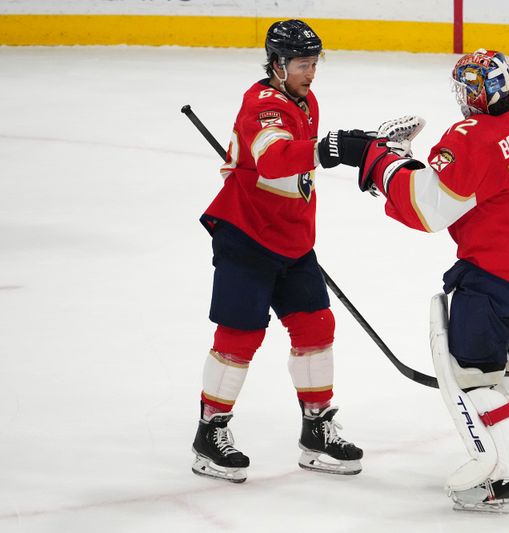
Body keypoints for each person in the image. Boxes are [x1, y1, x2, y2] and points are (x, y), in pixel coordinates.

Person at [352, 49, 509, 513]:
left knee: (473, 376)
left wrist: (379, 161)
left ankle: (503, 482)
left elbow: (428, 207)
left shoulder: (472, 138)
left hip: (497, 283)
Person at [191, 19, 378, 483]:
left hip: (293, 241)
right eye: (301, 64)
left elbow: (294, 164)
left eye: (314, 63)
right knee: (240, 337)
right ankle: (208, 435)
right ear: (277, 64)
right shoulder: (262, 106)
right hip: (248, 238)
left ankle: (316, 430)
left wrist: (327, 147)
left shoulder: (305, 99)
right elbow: (275, 157)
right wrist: (329, 148)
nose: (310, 72)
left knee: (316, 328)